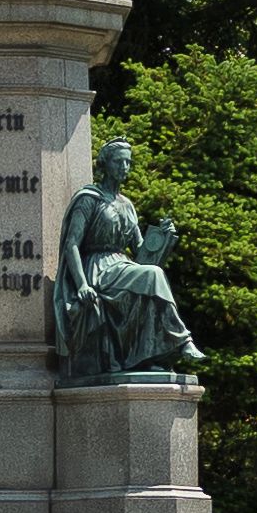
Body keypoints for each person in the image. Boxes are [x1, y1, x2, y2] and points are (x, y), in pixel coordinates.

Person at [50, 134, 189, 383]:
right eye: (118, 162)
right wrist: (81, 283)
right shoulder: (89, 199)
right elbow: (72, 244)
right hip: (97, 267)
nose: (124, 168)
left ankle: (147, 356)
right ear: (105, 163)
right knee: (152, 276)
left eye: (127, 163)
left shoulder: (127, 205)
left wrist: (162, 238)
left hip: (122, 265)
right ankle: (182, 339)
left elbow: (141, 252)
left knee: (151, 275)